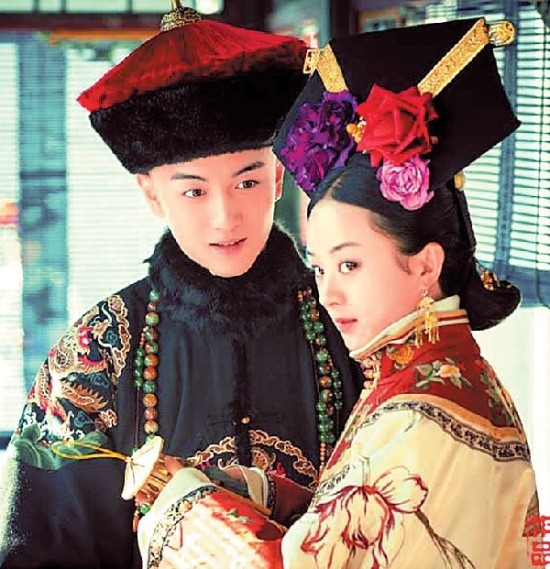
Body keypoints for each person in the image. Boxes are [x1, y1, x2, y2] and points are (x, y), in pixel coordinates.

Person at [132, 16, 542, 568]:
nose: (328, 293)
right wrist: (262, 492)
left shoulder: (421, 414)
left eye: (349, 263)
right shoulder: (425, 376)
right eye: (320, 267)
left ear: (425, 265)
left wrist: (181, 506)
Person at [0, 4, 363, 568]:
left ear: (277, 176)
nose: (225, 217)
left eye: (247, 181)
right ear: (152, 195)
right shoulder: (99, 349)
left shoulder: (349, 315)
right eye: (194, 191)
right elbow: (44, 546)